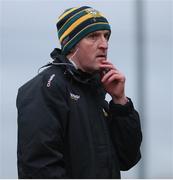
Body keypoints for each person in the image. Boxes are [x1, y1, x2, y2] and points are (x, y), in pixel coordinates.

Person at [16, 6, 142, 179]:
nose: (104, 44)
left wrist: (120, 102)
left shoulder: (96, 92)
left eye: (106, 36)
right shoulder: (47, 87)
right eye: (93, 36)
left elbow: (128, 159)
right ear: (71, 44)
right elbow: (40, 168)